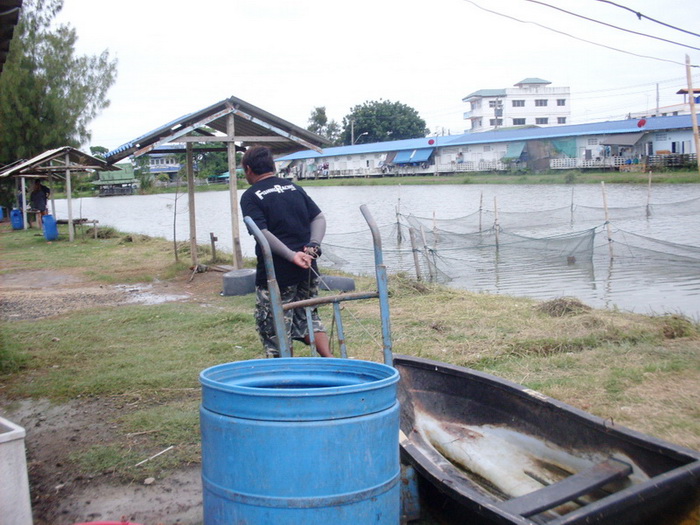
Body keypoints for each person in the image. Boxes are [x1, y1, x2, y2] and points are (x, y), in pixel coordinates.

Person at [240, 145, 332, 358]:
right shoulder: (294, 188)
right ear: (272, 166)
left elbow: (261, 232)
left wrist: (291, 256)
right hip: (308, 267)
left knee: (276, 324)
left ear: (248, 169)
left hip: (277, 272)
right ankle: (331, 359)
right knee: (308, 315)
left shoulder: (251, 196)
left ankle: (286, 371)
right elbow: (318, 217)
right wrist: (313, 245)